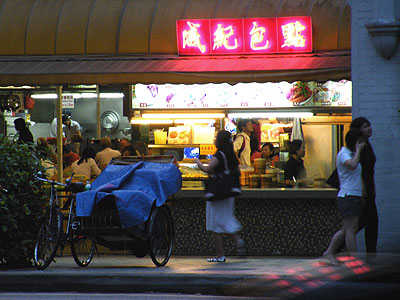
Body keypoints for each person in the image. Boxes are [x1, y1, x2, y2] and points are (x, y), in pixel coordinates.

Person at [194, 130, 245, 263]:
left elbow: (207, 169)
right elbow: (238, 172)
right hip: (229, 193)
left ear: (219, 141)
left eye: (216, 137)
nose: (214, 139)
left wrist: (197, 161)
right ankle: (237, 239)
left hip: (217, 193)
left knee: (214, 223)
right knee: (227, 217)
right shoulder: (232, 155)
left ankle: (220, 255)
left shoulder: (219, 154)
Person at [323, 129, 365, 258]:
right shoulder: (344, 154)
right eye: (360, 141)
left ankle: (329, 252)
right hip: (348, 196)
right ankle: (353, 257)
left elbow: (358, 175)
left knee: (347, 229)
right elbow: (352, 166)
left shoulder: (352, 154)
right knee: (351, 229)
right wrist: (358, 150)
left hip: (354, 195)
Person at [350, 117, 378, 256]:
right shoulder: (359, 146)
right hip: (363, 188)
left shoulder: (367, 144)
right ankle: (336, 246)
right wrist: (362, 186)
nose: (369, 128)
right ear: (359, 130)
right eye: (366, 126)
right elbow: (356, 167)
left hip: (369, 186)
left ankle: (371, 253)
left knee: (367, 221)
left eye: (369, 125)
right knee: (366, 221)